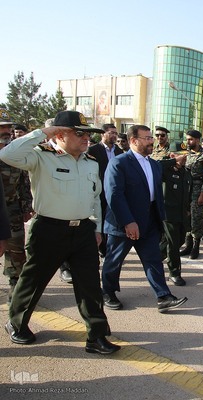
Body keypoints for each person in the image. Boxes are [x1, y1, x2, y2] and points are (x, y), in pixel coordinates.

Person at [0, 110, 119, 354]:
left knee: (90, 286)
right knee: (33, 281)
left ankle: (96, 336)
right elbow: (7, 155)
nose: (86, 138)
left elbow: (95, 198)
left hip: (83, 230)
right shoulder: (40, 156)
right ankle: (16, 323)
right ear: (60, 134)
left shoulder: (90, 161)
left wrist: (96, 228)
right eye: (79, 133)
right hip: (49, 229)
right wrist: (44, 132)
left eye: (87, 134)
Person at [102, 124, 187, 312]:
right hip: (124, 223)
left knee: (153, 260)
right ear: (133, 141)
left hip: (149, 222)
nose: (152, 141)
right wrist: (128, 221)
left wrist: (176, 160)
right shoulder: (119, 163)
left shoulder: (153, 164)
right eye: (147, 138)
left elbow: (161, 174)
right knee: (114, 260)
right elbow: (114, 195)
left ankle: (163, 296)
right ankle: (108, 292)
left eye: (151, 138)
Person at [0, 117, 33, 304]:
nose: (6, 131)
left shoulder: (15, 153)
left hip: (11, 210)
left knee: (16, 251)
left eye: (8, 127)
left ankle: (16, 286)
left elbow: (24, 182)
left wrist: (27, 206)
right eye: (2, 128)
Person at [87, 123, 124, 257]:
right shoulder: (93, 150)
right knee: (100, 219)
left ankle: (108, 248)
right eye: (111, 133)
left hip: (114, 192)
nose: (114, 135)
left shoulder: (119, 152)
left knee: (112, 220)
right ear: (103, 134)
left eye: (115, 133)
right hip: (99, 191)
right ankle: (101, 248)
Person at [179, 130, 203, 259]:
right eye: (187, 139)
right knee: (187, 217)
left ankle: (196, 246)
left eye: (191, 139)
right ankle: (188, 245)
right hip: (186, 189)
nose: (188, 142)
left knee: (196, 218)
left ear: (197, 140)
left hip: (198, 189)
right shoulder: (186, 154)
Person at [159, 143, 190, 286]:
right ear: (172, 155)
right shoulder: (165, 170)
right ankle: (174, 273)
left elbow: (187, 192)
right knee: (173, 243)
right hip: (169, 213)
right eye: (181, 155)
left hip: (182, 212)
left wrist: (188, 208)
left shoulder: (185, 171)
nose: (185, 157)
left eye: (185, 154)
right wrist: (172, 161)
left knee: (180, 240)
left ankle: (155, 257)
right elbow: (155, 165)